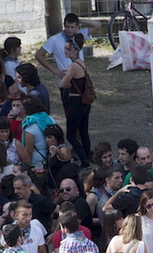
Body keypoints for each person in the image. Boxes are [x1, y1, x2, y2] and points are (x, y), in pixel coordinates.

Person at [34, 13, 100, 112]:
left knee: (84, 110)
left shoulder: (80, 36)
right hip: (66, 81)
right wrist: (54, 70)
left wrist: (78, 19)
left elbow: (97, 24)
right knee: (70, 112)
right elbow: (38, 55)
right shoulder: (55, 40)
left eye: (73, 27)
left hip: (81, 79)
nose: (69, 30)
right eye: (67, 27)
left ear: (77, 27)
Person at [58, 33, 92, 165]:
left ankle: (84, 161)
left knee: (71, 135)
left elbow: (62, 83)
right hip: (85, 102)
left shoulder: (73, 66)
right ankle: (86, 157)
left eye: (68, 49)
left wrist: (69, 83)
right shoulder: (82, 63)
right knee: (83, 131)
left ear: (75, 50)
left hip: (76, 101)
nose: (65, 51)